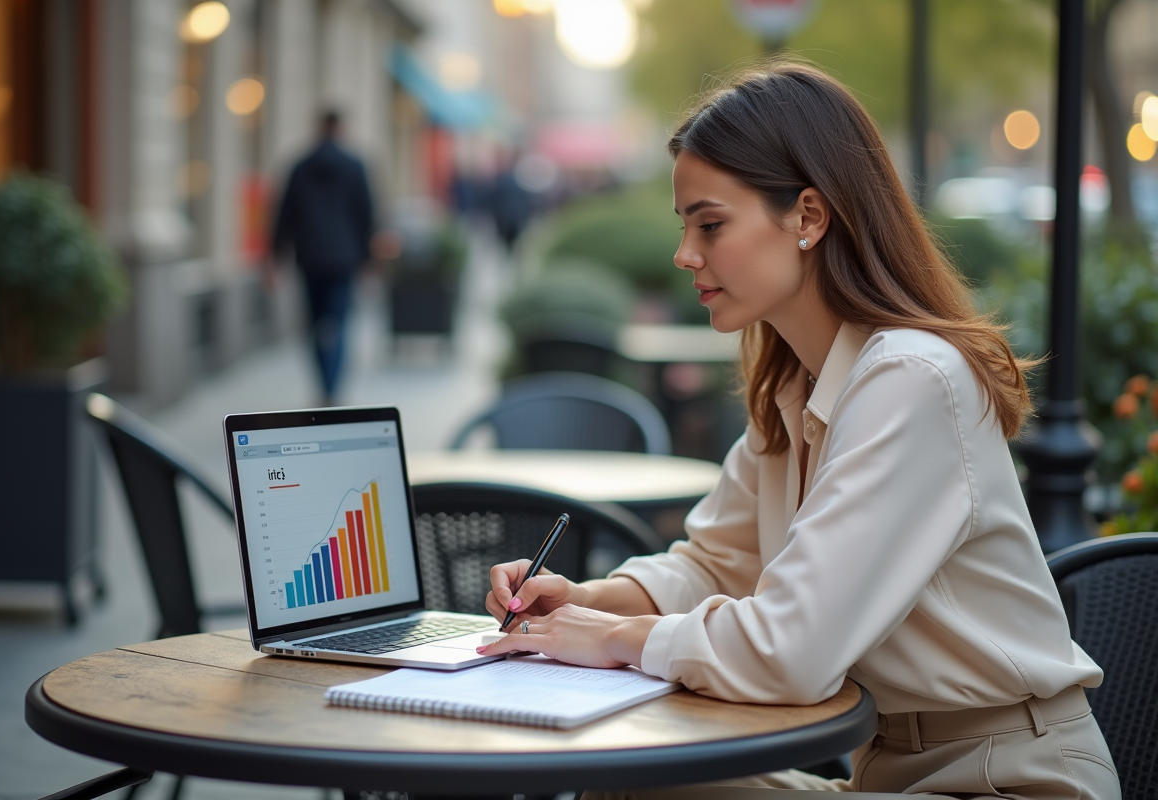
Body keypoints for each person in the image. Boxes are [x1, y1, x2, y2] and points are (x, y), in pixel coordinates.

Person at [476, 63, 1120, 800]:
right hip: (884, 771)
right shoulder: (795, 382)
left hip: (1010, 777)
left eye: (710, 225)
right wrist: (587, 601)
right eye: (685, 227)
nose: (686, 255)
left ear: (809, 217)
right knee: (625, 781)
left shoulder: (913, 379)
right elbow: (719, 564)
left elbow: (793, 652)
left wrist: (613, 642)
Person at [271, 110, 375, 406]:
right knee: (340, 324)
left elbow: (283, 215)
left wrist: (276, 256)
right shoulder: (354, 166)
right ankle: (333, 385)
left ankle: (323, 383)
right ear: (339, 128)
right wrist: (369, 258)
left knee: (314, 326)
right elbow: (366, 213)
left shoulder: (300, 166)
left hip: (309, 257)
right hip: (344, 258)